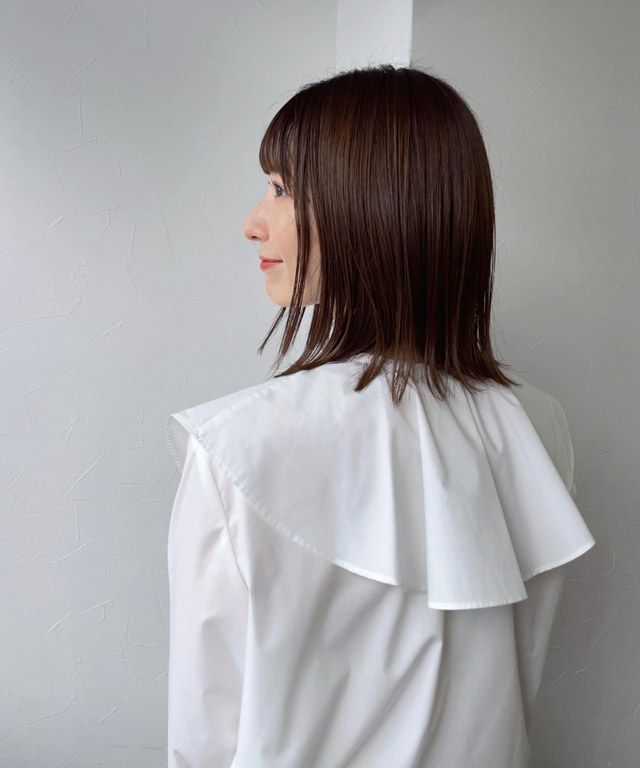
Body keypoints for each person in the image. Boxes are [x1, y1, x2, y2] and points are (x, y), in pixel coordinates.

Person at [165, 64, 596, 767]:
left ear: (370, 205)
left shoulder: (238, 448)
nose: (253, 222)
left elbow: (205, 732)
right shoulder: (536, 428)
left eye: (281, 188)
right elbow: (521, 681)